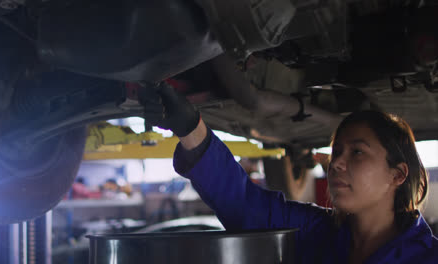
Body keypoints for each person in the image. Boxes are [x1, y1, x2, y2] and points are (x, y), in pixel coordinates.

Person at [140, 83, 438, 263]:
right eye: (337, 153)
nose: (335, 164)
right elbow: (243, 204)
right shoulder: (316, 230)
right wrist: (190, 127)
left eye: (357, 152)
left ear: (398, 174)